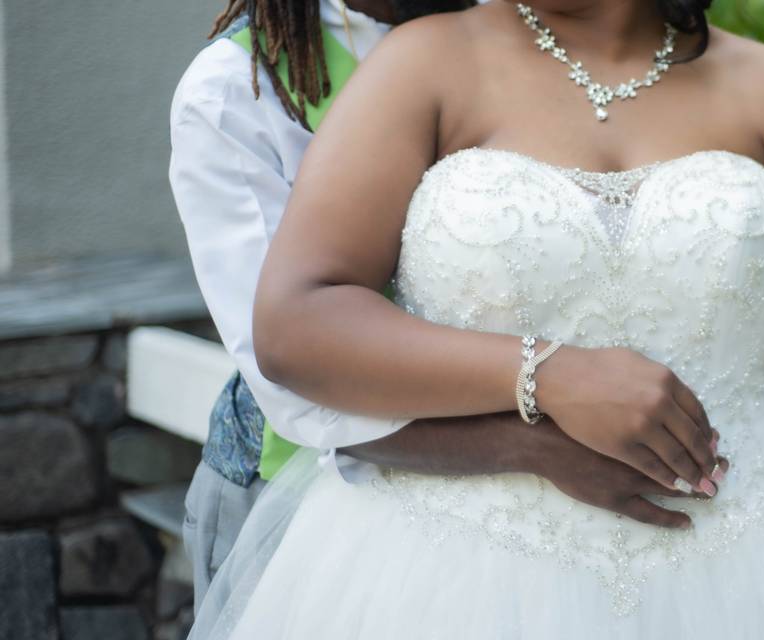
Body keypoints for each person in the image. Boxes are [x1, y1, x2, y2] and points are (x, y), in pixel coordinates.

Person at [191, 0, 764, 636]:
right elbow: (299, 320)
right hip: (451, 578)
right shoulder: (426, 64)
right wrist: (546, 373)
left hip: (758, 572)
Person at [170, 0, 725, 613]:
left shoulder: (525, 27)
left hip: (549, 514)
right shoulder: (232, 92)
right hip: (294, 499)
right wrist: (531, 444)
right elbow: (298, 391)